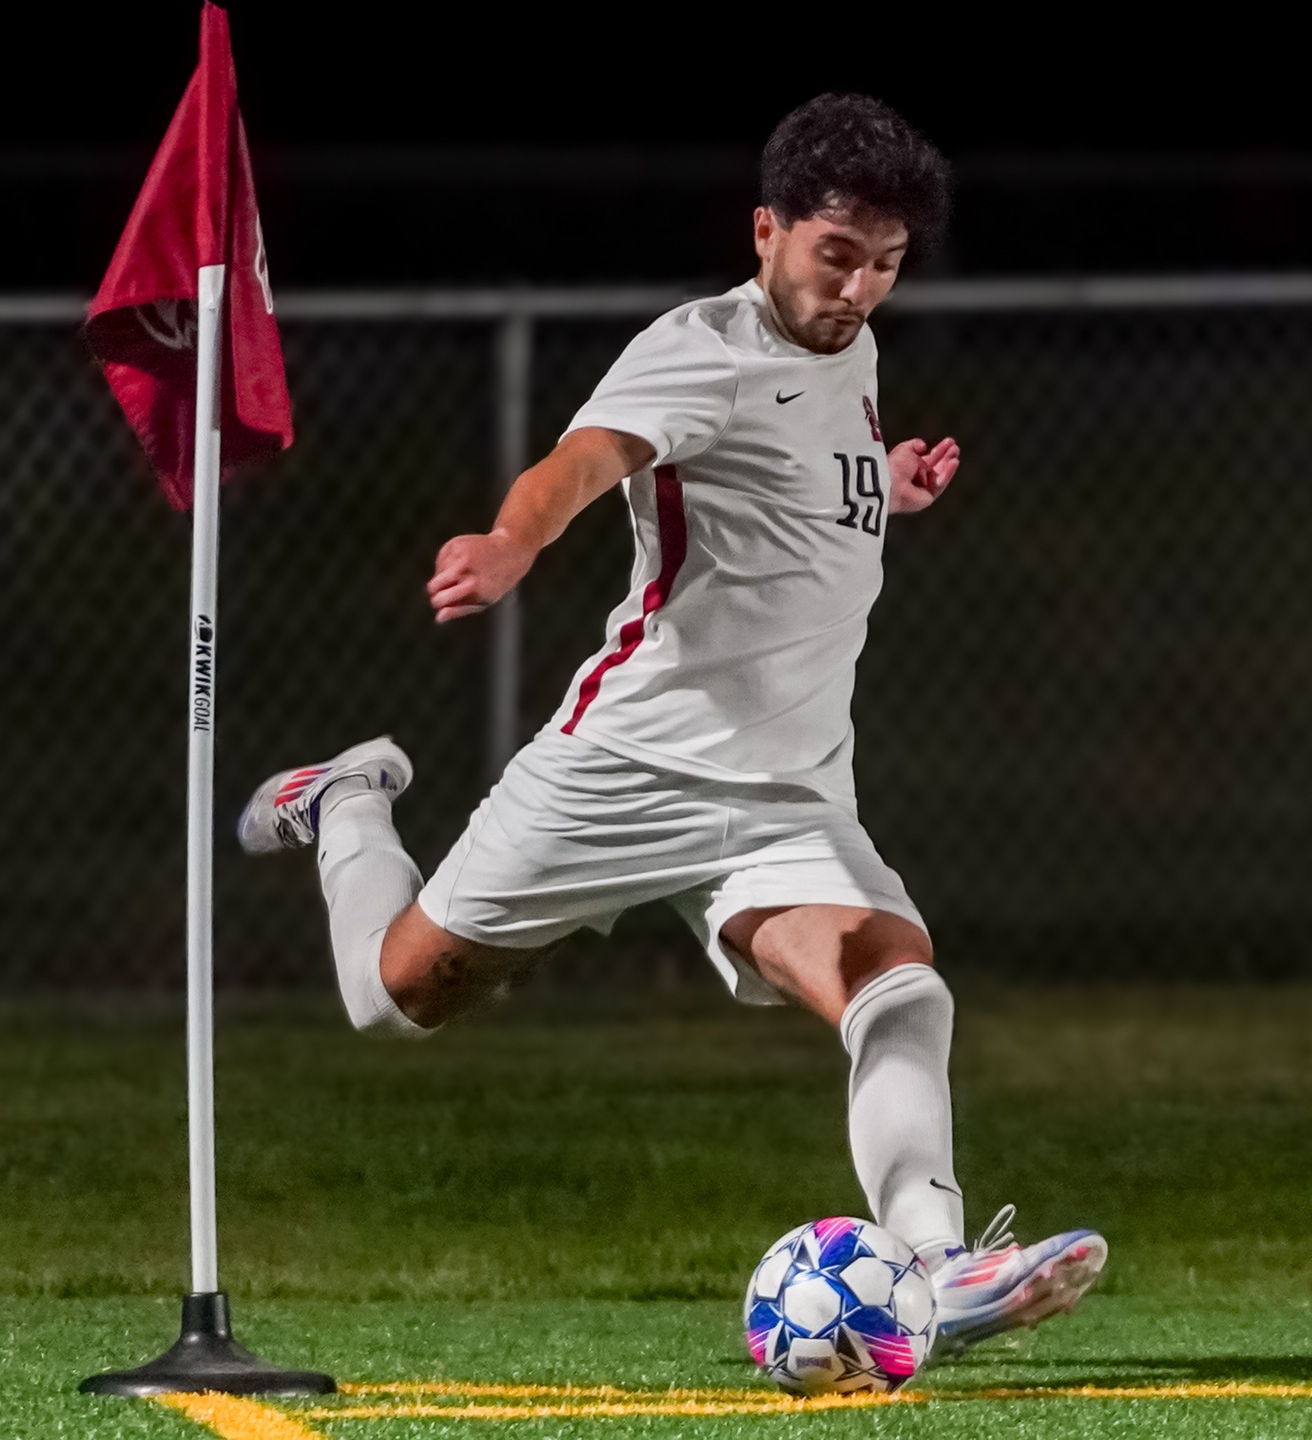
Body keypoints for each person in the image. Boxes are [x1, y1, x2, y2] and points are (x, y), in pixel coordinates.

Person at [237, 93, 1103, 1354]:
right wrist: (510, 540)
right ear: (765, 231)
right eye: (836, 254)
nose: (859, 287)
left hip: (788, 795)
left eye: (887, 265)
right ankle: (349, 800)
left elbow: (793, 503)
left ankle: (939, 1267)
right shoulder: (703, 346)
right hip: (628, 765)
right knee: (393, 996)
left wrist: (888, 489)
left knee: (898, 983)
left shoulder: (848, 351)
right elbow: (581, 462)